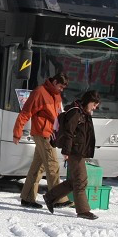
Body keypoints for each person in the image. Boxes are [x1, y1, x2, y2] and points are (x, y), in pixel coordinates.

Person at [13, 72, 72, 209]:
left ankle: (27, 198)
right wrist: (17, 133)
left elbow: (58, 114)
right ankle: (57, 199)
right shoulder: (39, 92)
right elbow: (26, 112)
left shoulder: (56, 94)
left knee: (38, 167)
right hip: (42, 133)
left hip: (49, 133)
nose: (61, 90)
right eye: (61, 87)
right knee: (53, 165)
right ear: (55, 82)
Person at [44, 90, 100, 220]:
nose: (95, 107)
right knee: (80, 180)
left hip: (79, 151)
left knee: (76, 180)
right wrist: (66, 151)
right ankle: (83, 211)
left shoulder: (83, 112)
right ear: (88, 101)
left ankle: (50, 197)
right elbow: (69, 132)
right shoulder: (76, 112)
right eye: (94, 104)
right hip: (74, 151)